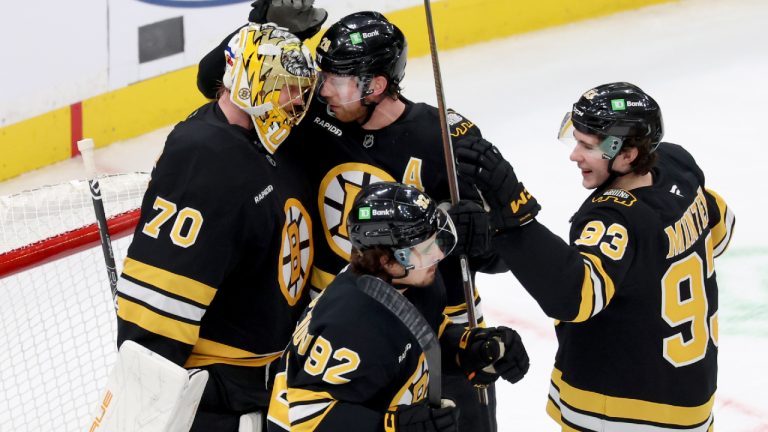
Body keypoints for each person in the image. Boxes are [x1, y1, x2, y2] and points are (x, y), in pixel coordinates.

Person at [198, 8, 508, 431]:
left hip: (436, 324)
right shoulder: (311, 116)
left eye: (334, 79)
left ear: (375, 86)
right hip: (342, 323)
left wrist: (483, 235)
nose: (320, 89)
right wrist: (262, 32)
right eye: (320, 75)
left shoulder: (442, 141)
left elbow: (497, 257)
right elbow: (214, 86)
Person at [455, 82, 736, 431]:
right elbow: (720, 230)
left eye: (587, 146)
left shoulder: (614, 220)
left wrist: (515, 219)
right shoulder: (678, 166)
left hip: (622, 409)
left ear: (628, 155)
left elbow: (574, 297)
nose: (575, 155)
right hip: (690, 394)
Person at [113, 23, 317, 431]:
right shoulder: (206, 155)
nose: (296, 101)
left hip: (269, 390)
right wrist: (149, 404)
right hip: (215, 404)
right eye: (284, 86)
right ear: (245, 84)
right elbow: (158, 308)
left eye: (300, 88)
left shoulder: (266, 143)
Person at [265, 182, 529, 431]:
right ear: (387, 261)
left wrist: (467, 347)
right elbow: (304, 417)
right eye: (425, 249)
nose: (438, 254)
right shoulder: (350, 325)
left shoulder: (415, 282)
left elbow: (422, 334)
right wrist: (394, 427)